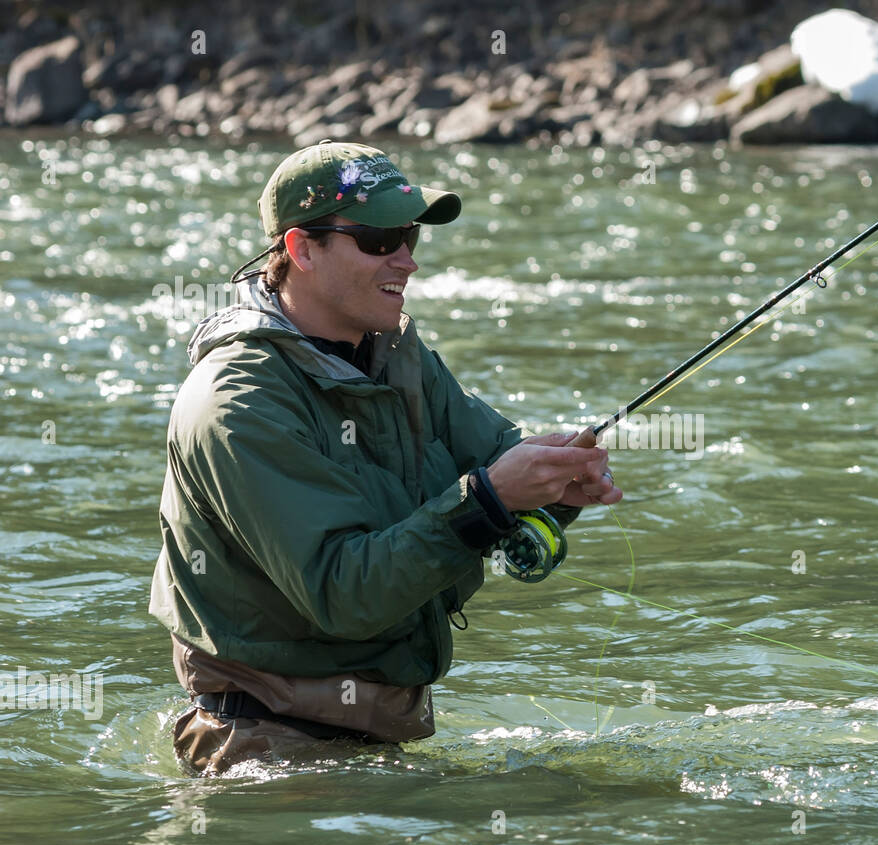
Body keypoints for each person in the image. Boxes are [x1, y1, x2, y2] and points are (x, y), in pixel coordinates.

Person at [149, 141, 621, 775]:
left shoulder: (397, 357)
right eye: (377, 240)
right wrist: (493, 497)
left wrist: (558, 481)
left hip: (380, 742)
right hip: (267, 758)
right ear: (301, 249)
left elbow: (497, 459)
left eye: (409, 236)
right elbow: (343, 593)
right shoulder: (238, 404)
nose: (406, 260)